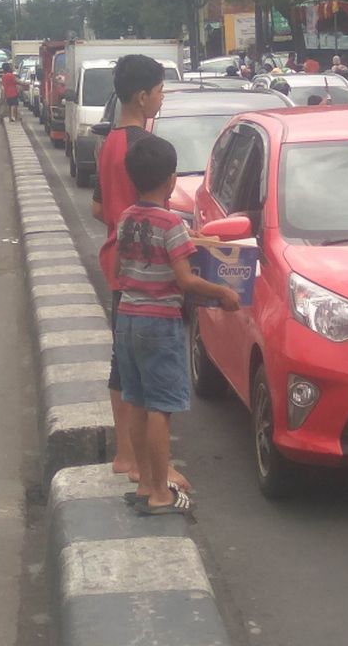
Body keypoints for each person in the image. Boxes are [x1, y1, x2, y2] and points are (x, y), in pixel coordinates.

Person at [113, 136, 240, 515]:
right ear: (170, 180)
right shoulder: (170, 223)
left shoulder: (126, 219)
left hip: (127, 319)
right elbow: (185, 280)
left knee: (135, 401)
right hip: (159, 323)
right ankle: (159, 495)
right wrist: (221, 293)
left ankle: (144, 485)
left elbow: (122, 268)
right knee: (160, 409)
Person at [92, 55, 193, 492]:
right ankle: (148, 467)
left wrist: (121, 229)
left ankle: (125, 454)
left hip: (119, 265)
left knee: (124, 367)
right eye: (159, 90)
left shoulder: (111, 142)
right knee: (153, 382)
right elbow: (154, 215)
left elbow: (99, 207)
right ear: (141, 95)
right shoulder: (141, 147)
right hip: (148, 275)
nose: (161, 97)